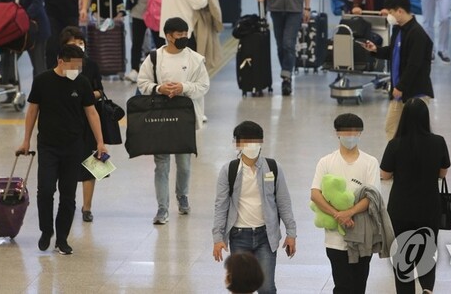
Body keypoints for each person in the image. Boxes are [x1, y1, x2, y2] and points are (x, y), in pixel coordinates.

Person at [16, 44, 108, 256]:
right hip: (48, 145)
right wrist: (26, 140)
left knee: (68, 195)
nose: (76, 71)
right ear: (60, 62)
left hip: (74, 146)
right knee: (45, 190)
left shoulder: (82, 83)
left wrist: (100, 142)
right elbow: (32, 111)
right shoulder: (42, 81)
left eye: (79, 66)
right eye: (73, 66)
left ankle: (62, 238)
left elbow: (91, 113)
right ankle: (46, 230)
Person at [137, 17, 210, 225]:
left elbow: (203, 86)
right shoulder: (154, 58)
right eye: (179, 34)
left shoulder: (195, 59)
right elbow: (142, 83)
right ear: (168, 36)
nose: (184, 37)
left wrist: (183, 88)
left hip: (185, 118)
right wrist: (158, 88)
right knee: (161, 164)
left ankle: (182, 195)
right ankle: (162, 208)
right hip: (160, 116)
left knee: (184, 164)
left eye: (186, 34)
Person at [212, 121, 297, 294]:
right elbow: (221, 206)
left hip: (266, 236)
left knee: (266, 288)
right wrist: (217, 238)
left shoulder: (273, 168)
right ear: (238, 144)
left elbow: (283, 202)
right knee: (241, 287)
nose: (251, 145)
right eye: (246, 141)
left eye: (255, 140)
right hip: (239, 236)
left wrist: (291, 233)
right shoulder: (229, 170)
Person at [380, 99, 449, 294]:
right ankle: (427, 288)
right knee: (427, 253)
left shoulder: (395, 144)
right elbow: (442, 173)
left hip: (400, 209)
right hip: (429, 208)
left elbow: (385, 174)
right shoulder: (438, 142)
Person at [310, 113, 380, 294]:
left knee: (359, 286)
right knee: (342, 286)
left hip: (362, 236)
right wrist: (337, 214)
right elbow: (315, 194)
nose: (350, 136)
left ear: (360, 133)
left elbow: (372, 196)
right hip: (335, 239)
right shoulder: (326, 162)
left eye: (354, 132)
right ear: (337, 133)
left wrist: (349, 212)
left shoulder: (370, 162)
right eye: (346, 132)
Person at [363, 0, 433, 141]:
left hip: (415, 92)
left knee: (416, 132)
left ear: (400, 11)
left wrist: (401, 86)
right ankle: (395, 155)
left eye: (390, 12)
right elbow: (394, 51)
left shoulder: (417, 34)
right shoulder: (398, 29)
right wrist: (376, 50)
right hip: (399, 93)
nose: (389, 16)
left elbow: (414, 64)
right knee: (391, 128)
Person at [55, 27, 105, 223]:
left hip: (89, 121)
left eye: (80, 42)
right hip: (65, 122)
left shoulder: (91, 65)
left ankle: (87, 207)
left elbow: (100, 91)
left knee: (91, 164)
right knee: (66, 165)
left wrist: (87, 95)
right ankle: (68, 203)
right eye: (73, 43)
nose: (78, 46)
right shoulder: (57, 68)